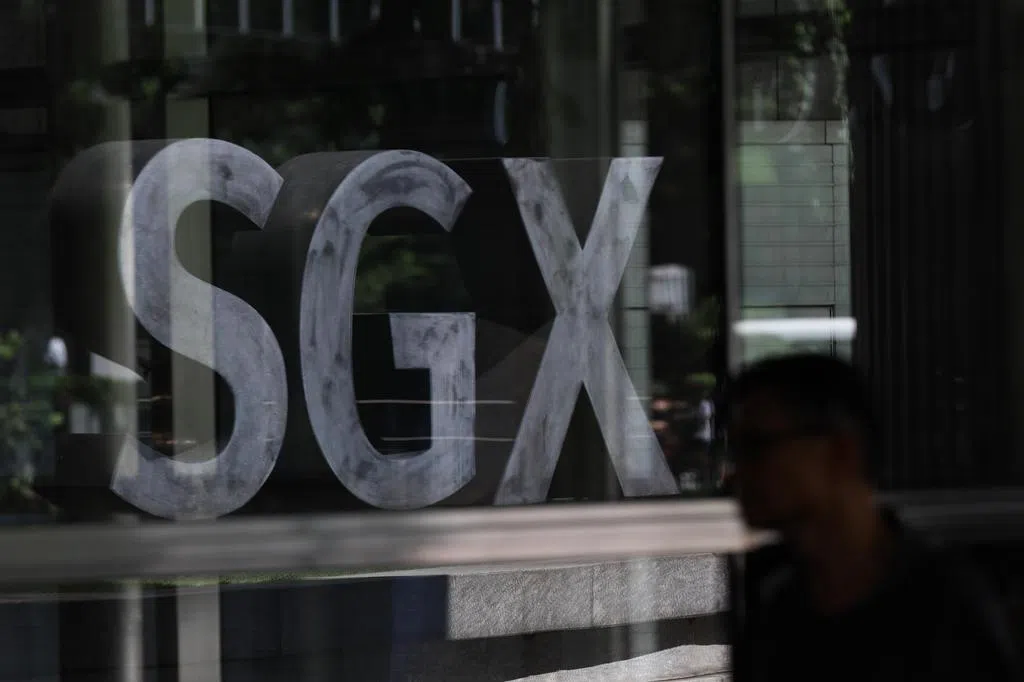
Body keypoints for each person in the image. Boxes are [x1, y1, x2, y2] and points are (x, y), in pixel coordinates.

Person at [724, 353, 1020, 682]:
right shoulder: (777, 608)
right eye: (735, 451)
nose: (735, 474)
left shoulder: (946, 608)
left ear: (841, 451)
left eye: (756, 447)